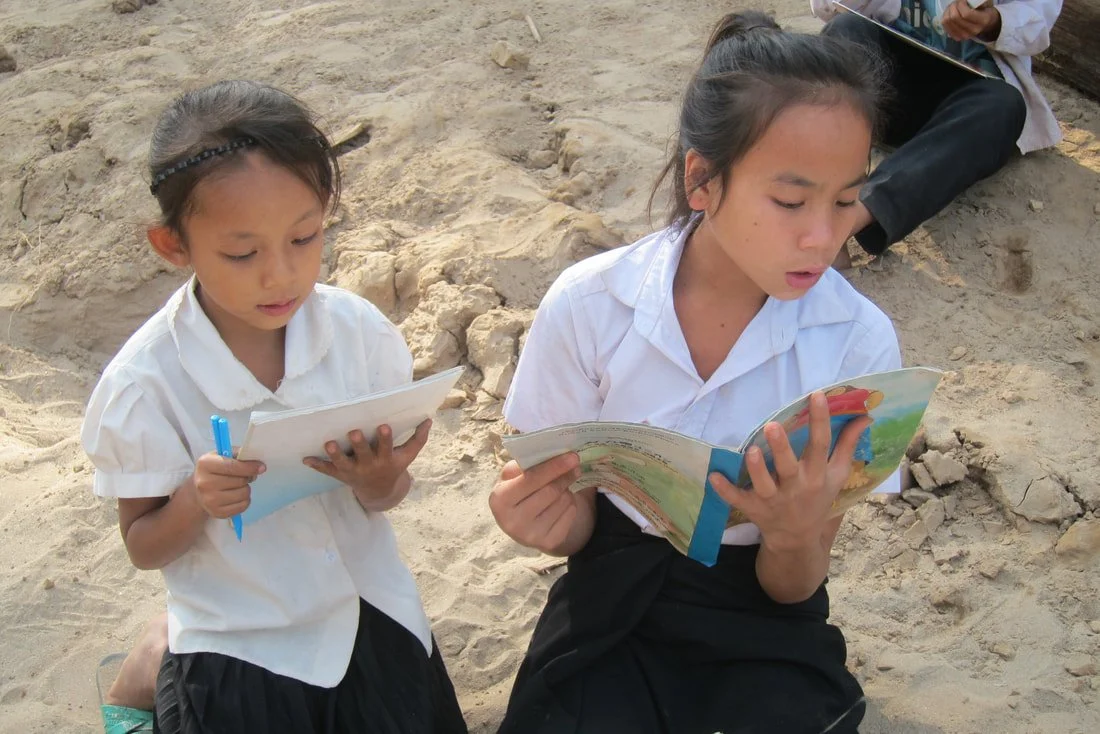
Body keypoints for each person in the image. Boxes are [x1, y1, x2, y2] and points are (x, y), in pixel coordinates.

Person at [488, 12, 901, 734]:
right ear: (702, 179)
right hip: (612, 593)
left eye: (845, 201)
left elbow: (793, 587)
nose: (824, 237)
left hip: (762, 614)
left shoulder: (856, 343)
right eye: (790, 201)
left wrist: (793, 535)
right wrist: (546, 522)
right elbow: (578, 527)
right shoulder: (591, 305)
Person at [81, 80, 466, 734]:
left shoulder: (359, 334)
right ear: (174, 246)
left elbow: (386, 497)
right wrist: (195, 499)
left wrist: (379, 479)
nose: (281, 275)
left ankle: (156, 651)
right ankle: (153, 661)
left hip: (367, 612)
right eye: (242, 253)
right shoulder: (144, 384)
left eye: (304, 237)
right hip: (240, 640)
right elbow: (143, 545)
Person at [812, 0, 1062, 265]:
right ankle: (824, 199)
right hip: (885, 83)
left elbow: (1038, 26)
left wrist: (993, 21)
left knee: (1005, 104)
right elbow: (825, 7)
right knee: (847, 29)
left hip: (967, 95)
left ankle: (851, 220)